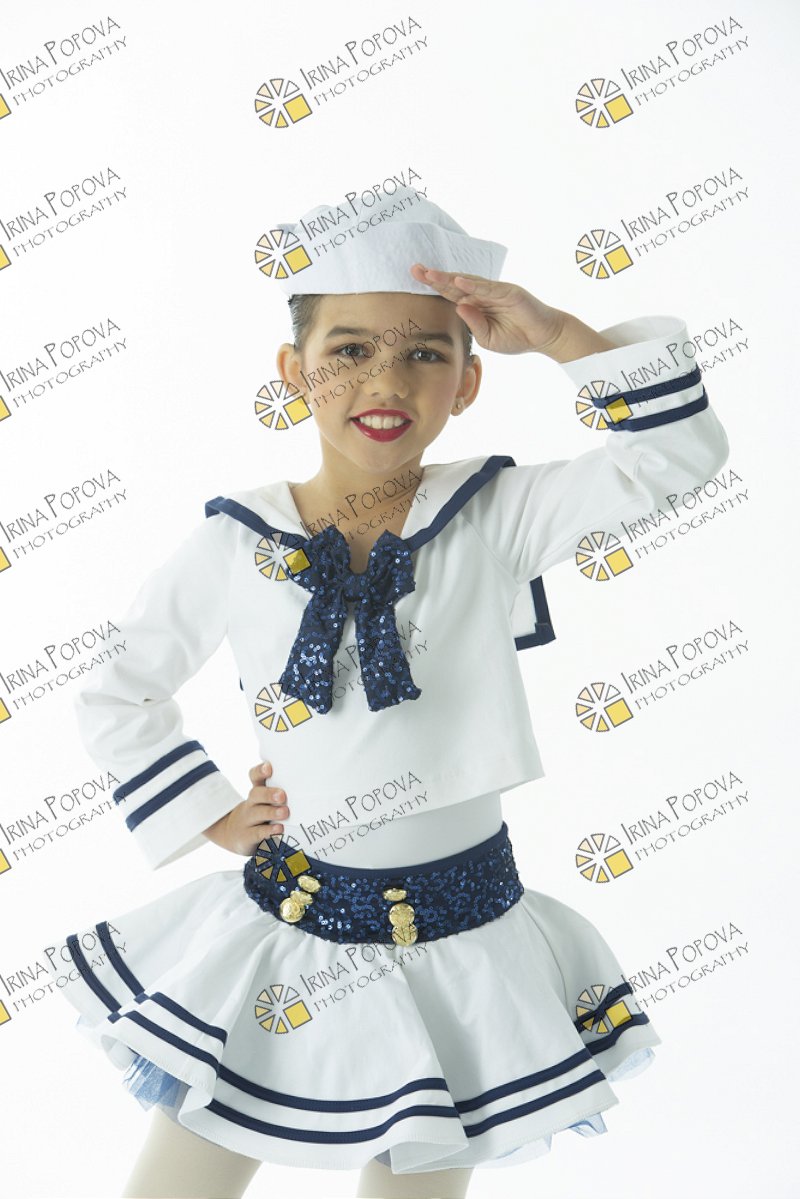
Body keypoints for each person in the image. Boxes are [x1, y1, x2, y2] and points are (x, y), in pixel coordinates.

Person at [41, 186, 729, 1199]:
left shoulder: (495, 515)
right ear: (294, 372)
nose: (386, 380)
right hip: (287, 927)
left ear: (467, 382)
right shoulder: (235, 540)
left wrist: (559, 335)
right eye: (351, 349)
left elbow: (677, 456)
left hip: (465, 939)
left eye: (426, 354)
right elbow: (118, 688)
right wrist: (209, 812)